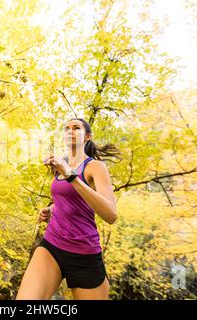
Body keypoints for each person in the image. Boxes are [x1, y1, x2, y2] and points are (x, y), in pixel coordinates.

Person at [16, 117, 122, 300]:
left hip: (84, 253)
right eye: (67, 128)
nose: (70, 131)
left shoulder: (95, 167)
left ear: (87, 137)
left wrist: (71, 176)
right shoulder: (61, 166)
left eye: (76, 128)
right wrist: (52, 209)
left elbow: (111, 215)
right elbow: (70, 199)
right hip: (52, 245)